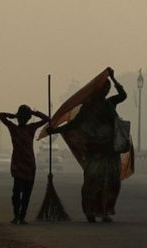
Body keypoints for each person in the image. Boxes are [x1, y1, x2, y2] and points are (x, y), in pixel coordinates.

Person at [48, 67, 127, 223]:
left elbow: (123, 95)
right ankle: (90, 211)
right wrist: (55, 130)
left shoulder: (110, 103)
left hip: (110, 149)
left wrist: (113, 78)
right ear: (98, 89)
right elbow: (74, 124)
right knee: (92, 180)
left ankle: (105, 211)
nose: (106, 90)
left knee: (111, 181)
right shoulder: (88, 107)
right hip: (95, 149)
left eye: (108, 88)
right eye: (104, 88)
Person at [0, 105, 49, 225]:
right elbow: (0, 115)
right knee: (16, 192)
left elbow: (47, 120)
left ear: (27, 118)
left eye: (24, 117)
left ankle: (21, 216)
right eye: (22, 117)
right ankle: (17, 215)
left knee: (26, 193)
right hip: (18, 164)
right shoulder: (13, 127)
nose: (22, 120)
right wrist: (14, 116)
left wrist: (33, 112)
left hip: (29, 164)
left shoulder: (31, 128)